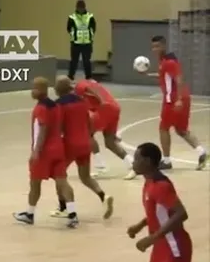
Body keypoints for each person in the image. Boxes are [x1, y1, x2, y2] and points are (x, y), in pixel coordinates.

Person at [13, 77, 77, 227]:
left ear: (42, 90)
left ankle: (29, 213)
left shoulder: (40, 108)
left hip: (44, 152)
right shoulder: (56, 106)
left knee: (35, 184)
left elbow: (43, 129)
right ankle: (72, 214)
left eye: (35, 88)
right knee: (63, 182)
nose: (32, 91)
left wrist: (36, 151)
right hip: (58, 149)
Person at [136, 36, 207, 171]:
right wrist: (147, 75)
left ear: (164, 46)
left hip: (173, 99)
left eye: (157, 46)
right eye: (153, 47)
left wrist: (179, 99)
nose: (155, 49)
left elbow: (179, 79)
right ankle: (202, 152)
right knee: (181, 130)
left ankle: (167, 160)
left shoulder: (170, 62)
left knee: (163, 128)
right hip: (182, 97)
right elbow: (163, 75)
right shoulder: (164, 61)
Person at [51, 76, 114, 223]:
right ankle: (103, 196)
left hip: (69, 144)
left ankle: (64, 207)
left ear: (59, 89)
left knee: (58, 175)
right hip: (85, 143)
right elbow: (89, 122)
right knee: (85, 177)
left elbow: (59, 127)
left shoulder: (59, 105)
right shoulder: (82, 101)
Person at [72, 78, 137, 179]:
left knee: (87, 134)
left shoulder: (79, 86)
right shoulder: (91, 82)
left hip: (104, 109)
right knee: (110, 142)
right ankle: (133, 164)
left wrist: (100, 100)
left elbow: (88, 88)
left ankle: (101, 166)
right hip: (114, 107)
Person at [66, 0, 95, 80]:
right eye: (79, 8)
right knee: (74, 61)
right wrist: (73, 34)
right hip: (75, 43)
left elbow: (93, 27)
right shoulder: (72, 17)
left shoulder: (90, 16)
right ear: (77, 8)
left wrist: (90, 35)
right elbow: (68, 28)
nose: (81, 10)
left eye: (82, 8)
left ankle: (88, 77)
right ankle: (70, 77)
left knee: (87, 61)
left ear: (84, 8)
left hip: (87, 43)